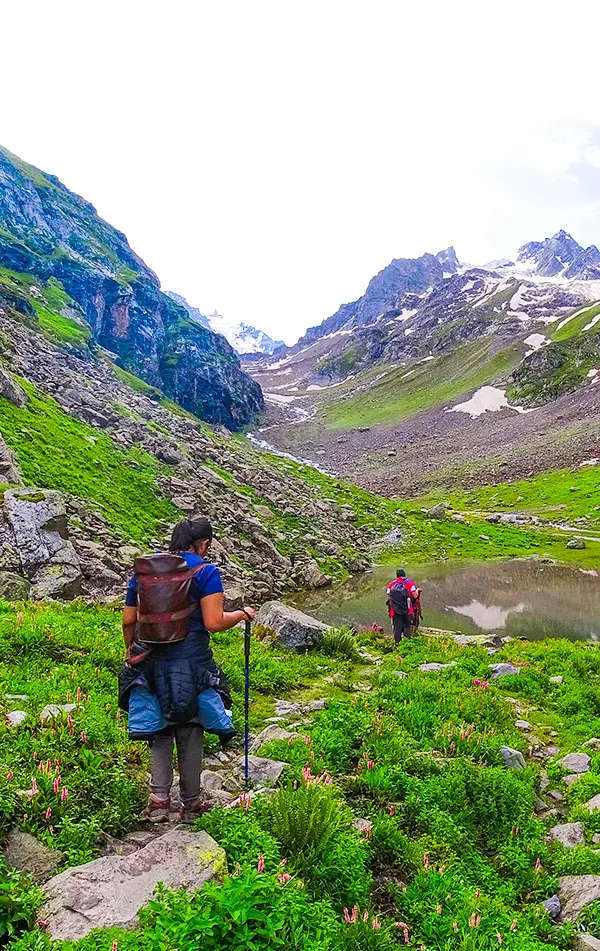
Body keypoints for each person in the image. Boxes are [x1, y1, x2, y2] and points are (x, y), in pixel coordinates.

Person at [121, 517, 255, 823]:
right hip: (193, 660)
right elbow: (214, 622)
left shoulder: (146, 573)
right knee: (191, 728)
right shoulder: (206, 572)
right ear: (203, 543)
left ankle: (158, 802)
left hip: (152, 659)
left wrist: (132, 649)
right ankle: (191, 803)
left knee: (160, 729)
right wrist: (240, 615)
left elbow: (129, 620)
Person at [386, 569, 422, 643]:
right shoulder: (409, 583)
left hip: (395, 611)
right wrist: (417, 591)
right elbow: (415, 596)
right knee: (407, 626)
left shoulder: (391, 584)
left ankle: (397, 644)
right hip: (408, 610)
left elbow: (389, 596)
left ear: (397, 575)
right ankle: (406, 643)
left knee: (397, 628)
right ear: (404, 575)